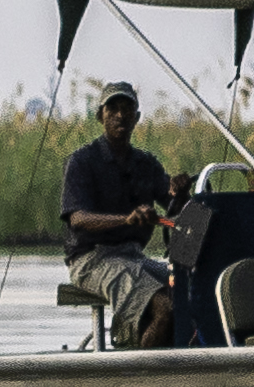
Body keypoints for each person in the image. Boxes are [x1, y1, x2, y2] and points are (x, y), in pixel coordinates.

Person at [60, 84, 175, 349]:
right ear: (100, 116)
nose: (120, 115)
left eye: (127, 109)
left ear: (137, 117)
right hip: (91, 259)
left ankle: (175, 369)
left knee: (187, 289)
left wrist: (179, 192)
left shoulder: (146, 164)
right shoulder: (82, 161)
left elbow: (175, 207)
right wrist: (126, 219)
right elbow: (77, 219)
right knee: (164, 307)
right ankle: (142, 379)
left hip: (133, 256)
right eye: (112, 109)